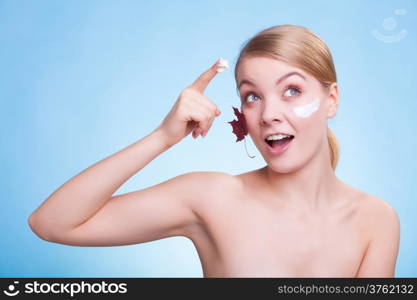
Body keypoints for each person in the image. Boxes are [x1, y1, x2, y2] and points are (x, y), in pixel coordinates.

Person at [28, 24, 400, 277]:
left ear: (331, 99)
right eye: (252, 96)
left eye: (292, 90)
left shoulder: (376, 220)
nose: (269, 114)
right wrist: (162, 137)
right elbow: (51, 223)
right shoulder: (210, 197)